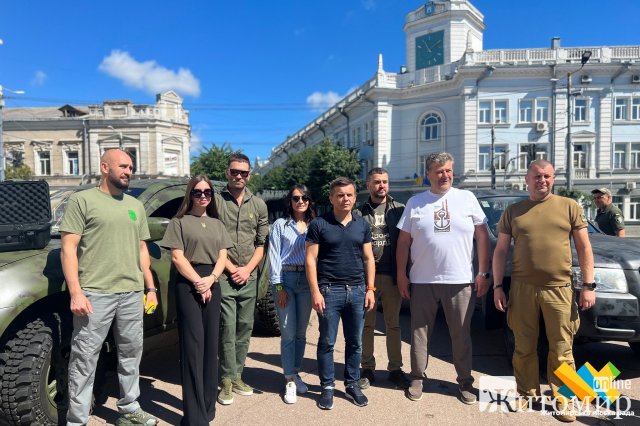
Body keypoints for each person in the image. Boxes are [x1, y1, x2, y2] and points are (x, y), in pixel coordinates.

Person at [60, 149, 158, 426]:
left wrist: (150, 288)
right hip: (94, 293)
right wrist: (76, 291)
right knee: (84, 358)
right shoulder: (82, 200)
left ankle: (129, 408)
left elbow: (142, 249)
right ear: (105, 167)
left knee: (130, 353)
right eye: (123, 166)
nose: (129, 171)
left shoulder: (135, 206)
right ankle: (77, 420)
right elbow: (68, 248)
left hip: (131, 293)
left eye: (131, 167)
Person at [493, 159, 595, 423]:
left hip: (559, 289)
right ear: (526, 179)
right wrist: (496, 287)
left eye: (548, 176)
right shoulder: (514, 211)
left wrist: (588, 285)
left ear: (554, 179)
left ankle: (564, 399)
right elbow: (501, 250)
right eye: (537, 176)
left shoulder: (569, 207)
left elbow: (584, 248)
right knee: (524, 346)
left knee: (562, 348)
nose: (543, 181)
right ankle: (526, 393)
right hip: (522, 289)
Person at [396, 152, 490, 405]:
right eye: (439, 171)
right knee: (419, 332)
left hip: (459, 280)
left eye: (448, 170)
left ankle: (465, 382)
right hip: (422, 280)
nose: (445, 175)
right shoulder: (415, 202)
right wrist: (401, 275)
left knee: (461, 334)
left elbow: (482, 237)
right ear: (428, 175)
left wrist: (483, 272)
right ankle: (417, 378)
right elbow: (403, 242)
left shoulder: (467, 198)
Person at [159, 176, 232, 425]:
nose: (203, 196)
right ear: (190, 194)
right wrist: (198, 282)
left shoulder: (217, 224)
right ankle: (194, 417)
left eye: (208, 192)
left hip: (212, 281)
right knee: (193, 349)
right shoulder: (178, 223)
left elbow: (222, 257)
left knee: (211, 347)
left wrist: (210, 279)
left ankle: (208, 408)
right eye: (198, 192)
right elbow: (177, 258)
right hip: (188, 284)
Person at [306, 176, 376, 410]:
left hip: (357, 291)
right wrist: (315, 292)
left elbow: (368, 258)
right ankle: (327, 387)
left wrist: (370, 289)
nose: (345, 199)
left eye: (349, 195)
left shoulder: (362, 225)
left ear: (355, 197)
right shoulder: (319, 224)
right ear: (331, 198)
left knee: (355, 342)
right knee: (326, 342)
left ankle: (352, 383)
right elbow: (310, 260)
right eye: (340, 195)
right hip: (329, 292)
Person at [215, 153, 269, 405]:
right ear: (227, 173)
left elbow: (261, 243)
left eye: (243, 173)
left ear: (249, 175)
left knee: (245, 326)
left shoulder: (258, 204)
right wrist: (230, 267)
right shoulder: (215, 201)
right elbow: (212, 241)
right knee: (227, 326)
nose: (239, 176)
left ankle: (238, 375)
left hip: (249, 275)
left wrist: (247, 269)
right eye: (234, 172)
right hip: (223, 274)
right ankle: (226, 379)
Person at [357, 167, 409, 390]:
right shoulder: (359, 213)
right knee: (366, 325)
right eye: (377, 182)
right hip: (366, 277)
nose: (381, 186)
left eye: (385, 182)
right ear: (368, 184)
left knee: (393, 325)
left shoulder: (400, 210)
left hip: (392, 276)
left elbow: (409, 244)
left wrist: (406, 273)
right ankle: (367, 368)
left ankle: (395, 369)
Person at [268, 184, 315, 404]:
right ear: (290, 201)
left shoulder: (315, 225)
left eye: (304, 197)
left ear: (309, 200)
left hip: (306, 281)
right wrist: (278, 287)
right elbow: (274, 256)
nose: (300, 201)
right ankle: (288, 379)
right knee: (287, 332)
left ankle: (295, 372)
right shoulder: (280, 224)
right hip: (286, 280)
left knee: (301, 333)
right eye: (296, 198)